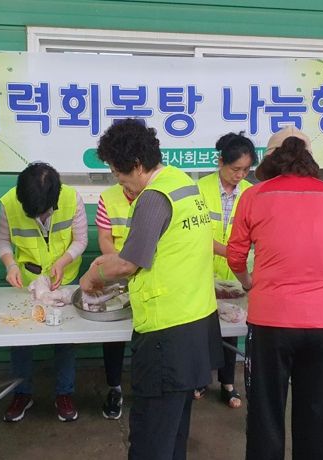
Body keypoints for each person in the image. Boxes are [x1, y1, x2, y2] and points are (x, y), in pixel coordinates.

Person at [79, 119, 223, 460]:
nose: (118, 181)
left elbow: (129, 263)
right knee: (174, 429)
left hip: (166, 334)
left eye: (118, 173)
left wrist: (94, 273)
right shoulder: (183, 183)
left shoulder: (154, 197)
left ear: (137, 165)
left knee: (151, 436)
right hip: (198, 321)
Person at [228, 126, 323, 460]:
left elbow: (235, 256)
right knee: (317, 411)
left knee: (265, 411)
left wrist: (249, 282)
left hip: (270, 321)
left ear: (270, 159)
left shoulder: (254, 196)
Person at [0, 162, 88, 423]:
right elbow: (2, 240)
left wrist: (63, 261)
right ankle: (22, 393)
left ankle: (64, 393)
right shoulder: (9, 203)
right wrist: (10, 265)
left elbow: (80, 240)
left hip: (64, 281)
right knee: (21, 338)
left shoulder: (71, 198)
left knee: (66, 339)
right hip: (27, 283)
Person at [194, 132, 256, 408]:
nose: (240, 175)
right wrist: (229, 252)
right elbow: (194, 233)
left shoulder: (251, 193)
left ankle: (228, 383)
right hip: (202, 269)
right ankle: (200, 379)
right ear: (220, 162)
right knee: (202, 326)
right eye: (235, 169)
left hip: (236, 272)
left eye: (246, 170)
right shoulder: (198, 188)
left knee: (231, 326)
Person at [95, 182, 137, 419]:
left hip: (149, 274)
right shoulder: (108, 197)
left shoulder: (155, 195)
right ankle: (114, 388)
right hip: (117, 275)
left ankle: (143, 389)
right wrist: (119, 264)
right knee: (114, 334)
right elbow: (104, 237)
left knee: (146, 334)